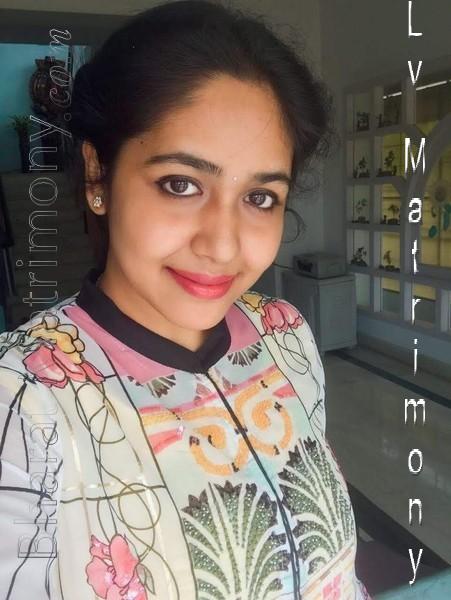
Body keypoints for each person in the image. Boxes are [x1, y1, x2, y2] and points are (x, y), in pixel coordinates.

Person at [0, 1, 371, 598]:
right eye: (181, 184)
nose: (222, 246)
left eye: (260, 198)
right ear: (97, 175)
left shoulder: (285, 335)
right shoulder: (21, 402)